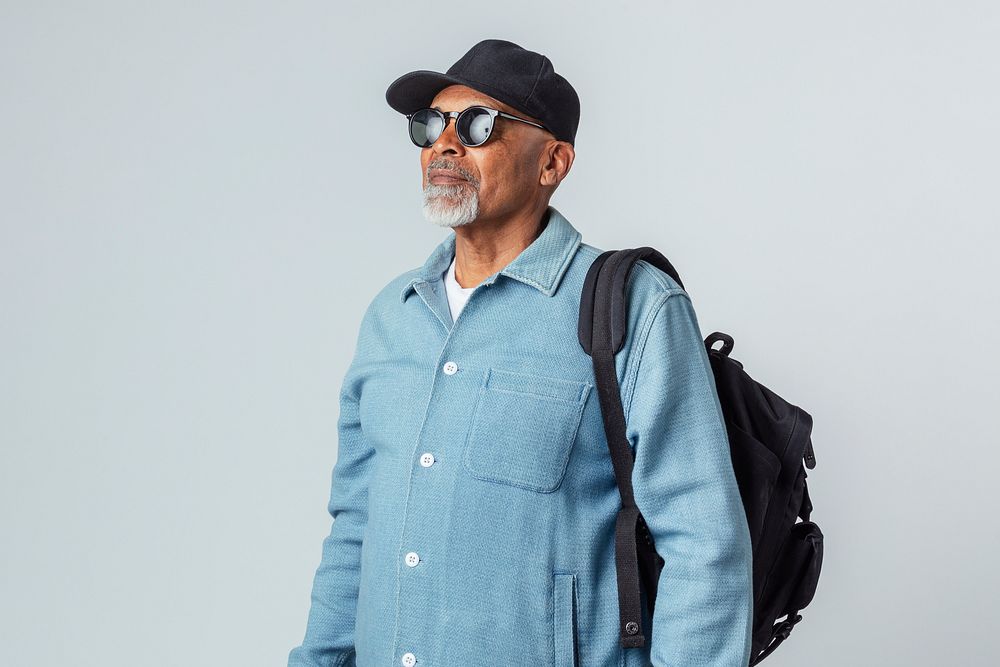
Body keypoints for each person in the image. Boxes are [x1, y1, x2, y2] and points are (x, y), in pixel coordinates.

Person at [288, 38, 753, 667]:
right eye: (430, 125)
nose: (445, 144)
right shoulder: (390, 318)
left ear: (553, 163)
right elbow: (355, 527)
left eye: (479, 125)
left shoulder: (634, 307)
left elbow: (706, 542)